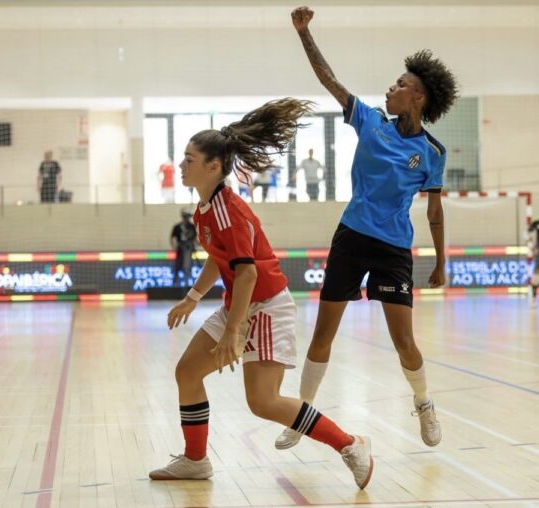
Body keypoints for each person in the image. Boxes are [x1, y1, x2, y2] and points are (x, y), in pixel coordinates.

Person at [149, 98, 373, 490]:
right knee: (188, 372)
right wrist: (193, 296)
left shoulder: (228, 211)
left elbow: (248, 273)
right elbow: (220, 259)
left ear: (213, 166)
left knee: (263, 401)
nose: (181, 165)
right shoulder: (206, 208)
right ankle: (196, 460)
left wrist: (234, 330)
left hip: (265, 306)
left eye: (188, 159)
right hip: (240, 303)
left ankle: (350, 444)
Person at [274, 6, 459, 451]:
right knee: (323, 334)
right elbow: (330, 80)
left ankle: (423, 402)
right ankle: (302, 416)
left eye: (400, 84)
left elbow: (434, 212)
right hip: (351, 237)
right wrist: (304, 33)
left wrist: (441, 260)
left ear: (418, 97)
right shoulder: (371, 120)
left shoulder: (432, 152)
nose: (391, 88)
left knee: (405, 342)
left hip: (393, 249)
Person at [170, 210, 197, 287]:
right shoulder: (177, 227)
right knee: (177, 266)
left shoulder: (192, 227)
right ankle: (176, 284)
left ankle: (186, 283)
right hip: (180, 249)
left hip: (189, 249)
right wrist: (174, 246)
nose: (186, 219)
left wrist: (195, 244)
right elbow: (172, 237)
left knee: (187, 266)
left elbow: (195, 238)